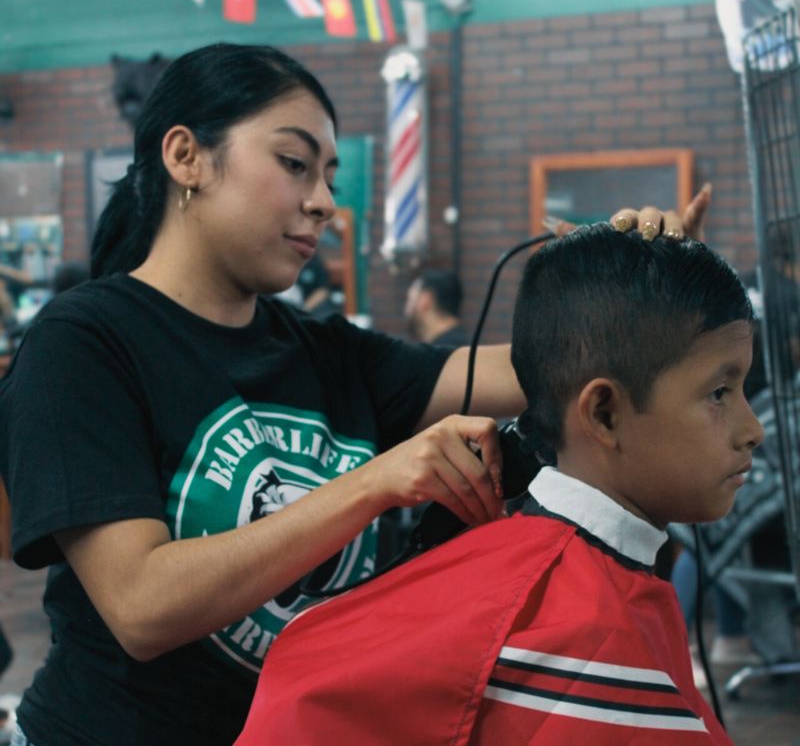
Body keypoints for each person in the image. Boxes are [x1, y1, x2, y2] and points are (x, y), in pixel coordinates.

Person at [0, 41, 706, 745]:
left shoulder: (326, 351)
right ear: (186, 157)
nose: (323, 202)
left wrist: (638, 294)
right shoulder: (85, 342)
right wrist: (375, 483)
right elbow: (142, 606)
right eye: (294, 163)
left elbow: (550, 369)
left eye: (329, 176)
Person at [234, 222, 760, 745]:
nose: (752, 429)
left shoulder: (585, 585)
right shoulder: (569, 635)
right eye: (719, 392)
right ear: (602, 413)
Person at [405, 268, 470, 347]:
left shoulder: (436, 354)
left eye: (410, 299)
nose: (406, 309)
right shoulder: (466, 348)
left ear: (425, 300)